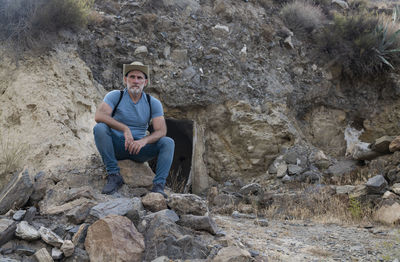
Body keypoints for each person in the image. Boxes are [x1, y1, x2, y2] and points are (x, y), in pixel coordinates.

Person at [93, 61, 175, 197]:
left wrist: (143, 141)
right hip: (118, 145)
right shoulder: (115, 96)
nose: (135, 81)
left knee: (168, 142)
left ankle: (158, 186)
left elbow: (161, 131)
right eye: (132, 77)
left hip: (139, 149)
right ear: (125, 80)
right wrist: (125, 129)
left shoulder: (152, 102)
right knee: (100, 128)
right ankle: (114, 175)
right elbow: (99, 115)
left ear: (145, 82)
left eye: (139, 78)